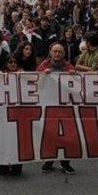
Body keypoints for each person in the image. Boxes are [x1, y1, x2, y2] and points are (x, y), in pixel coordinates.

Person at [37, 44, 76, 175]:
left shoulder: (69, 67)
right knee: (50, 134)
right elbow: (35, 82)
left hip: (65, 106)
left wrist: (73, 75)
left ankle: (65, 163)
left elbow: (76, 85)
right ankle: (49, 162)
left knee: (67, 136)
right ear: (51, 53)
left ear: (63, 54)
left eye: (60, 52)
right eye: (55, 51)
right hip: (49, 106)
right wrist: (42, 74)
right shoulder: (43, 65)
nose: (57, 54)